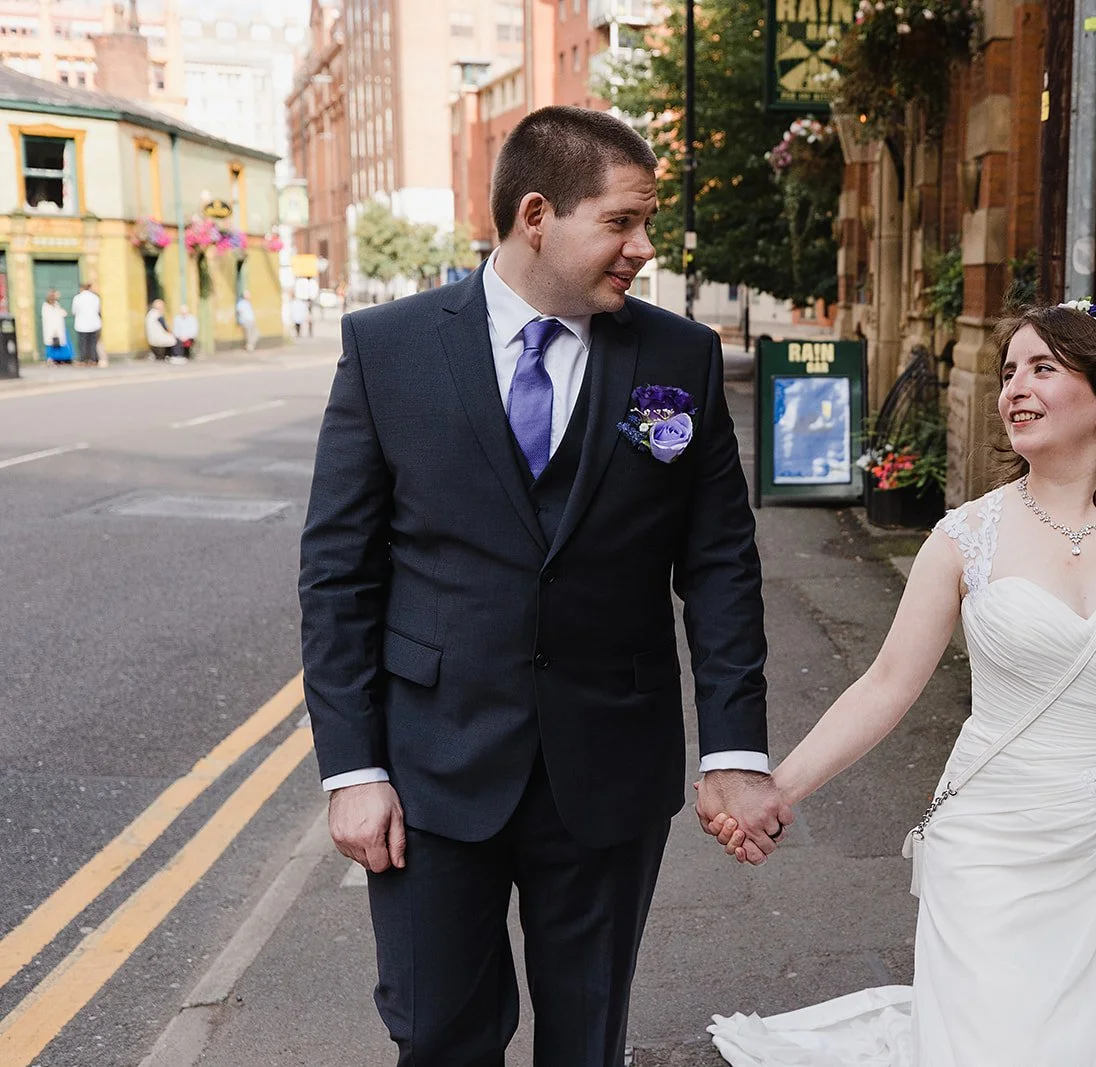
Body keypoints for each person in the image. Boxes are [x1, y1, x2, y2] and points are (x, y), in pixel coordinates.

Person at [298, 105, 792, 1067]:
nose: (642, 247)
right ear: (537, 213)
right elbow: (338, 575)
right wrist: (352, 770)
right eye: (621, 221)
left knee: (586, 1038)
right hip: (433, 770)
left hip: (611, 764)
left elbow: (722, 564)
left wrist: (735, 745)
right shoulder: (388, 348)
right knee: (441, 1035)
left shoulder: (675, 357)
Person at [705, 301, 1096, 1065]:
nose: (1013, 389)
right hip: (991, 848)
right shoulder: (966, 537)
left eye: (1042, 368)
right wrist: (779, 788)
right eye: (1007, 372)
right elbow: (886, 683)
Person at [70, 281, 101, 365]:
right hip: (94, 323)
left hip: (81, 324)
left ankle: (83, 360)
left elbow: (74, 311)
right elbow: (98, 310)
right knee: (93, 343)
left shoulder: (77, 298)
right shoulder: (95, 297)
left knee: (83, 343)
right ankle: (93, 359)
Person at [40, 289, 71, 364]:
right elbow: (51, 318)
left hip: (58, 328)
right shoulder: (46, 307)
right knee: (51, 344)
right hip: (52, 328)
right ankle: (51, 358)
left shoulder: (56, 305)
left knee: (60, 344)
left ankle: (60, 359)